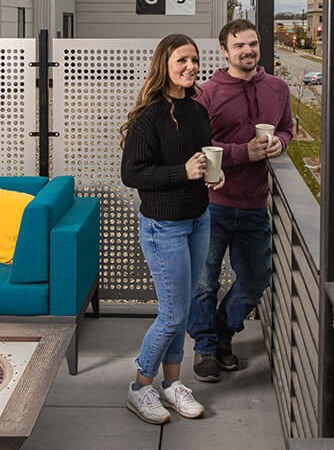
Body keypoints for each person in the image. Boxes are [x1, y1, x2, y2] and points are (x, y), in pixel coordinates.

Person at [120, 33, 225, 424]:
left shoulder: (197, 110)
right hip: (164, 226)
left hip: (200, 219)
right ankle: (139, 386)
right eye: (182, 60)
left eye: (195, 60)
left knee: (180, 312)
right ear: (164, 63)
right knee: (172, 313)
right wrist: (182, 172)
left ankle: (172, 385)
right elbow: (132, 174)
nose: (190, 67)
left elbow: (200, 159)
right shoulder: (150, 116)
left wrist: (213, 176)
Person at [188, 19, 293, 382]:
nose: (247, 51)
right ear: (224, 51)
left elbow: (288, 128)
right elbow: (197, 146)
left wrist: (281, 141)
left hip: (254, 203)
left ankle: (220, 333)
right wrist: (242, 153)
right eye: (239, 46)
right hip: (212, 203)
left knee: (255, 278)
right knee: (205, 281)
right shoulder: (207, 93)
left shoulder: (278, 89)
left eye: (252, 44)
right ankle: (206, 348)